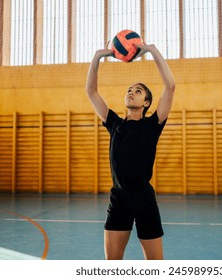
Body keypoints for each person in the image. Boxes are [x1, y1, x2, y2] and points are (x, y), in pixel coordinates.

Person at [85, 43, 175, 260]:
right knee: (112, 264)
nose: (131, 93)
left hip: (143, 197)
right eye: (129, 90)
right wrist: (97, 57)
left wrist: (152, 50)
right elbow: (91, 91)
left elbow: (170, 86)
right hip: (119, 197)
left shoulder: (153, 124)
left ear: (146, 102)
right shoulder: (114, 123)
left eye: (138, 91)